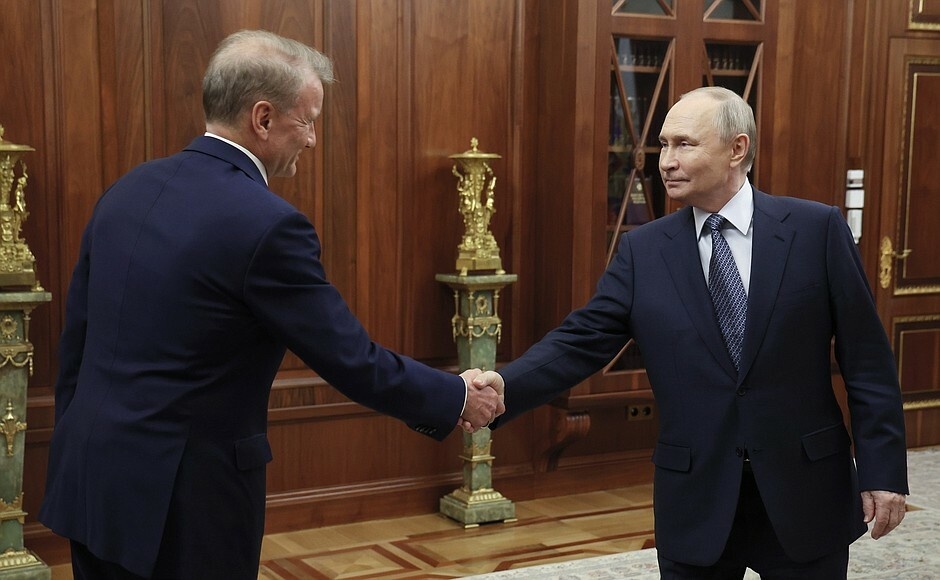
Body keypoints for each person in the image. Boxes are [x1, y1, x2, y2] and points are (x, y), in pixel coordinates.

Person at [40, 29, 503, 580]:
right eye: (307, 121)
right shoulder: (268, 225)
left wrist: (74, 443)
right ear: (262, 118)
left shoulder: (126, 191)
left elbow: (77, 342)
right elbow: (350, 359)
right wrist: (456, 395)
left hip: (90, 480)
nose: (313, 140)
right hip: (183, 505)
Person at [475, 86, 907, 578]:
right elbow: (581, 340)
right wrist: (503, 386)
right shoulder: (643, 250)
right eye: (663, 144)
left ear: (737, 149)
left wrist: (883, 471)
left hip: (806, 491)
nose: (666, 161)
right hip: (696, 499)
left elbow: (868, 362)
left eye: (684, 144)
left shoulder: (816, 230)